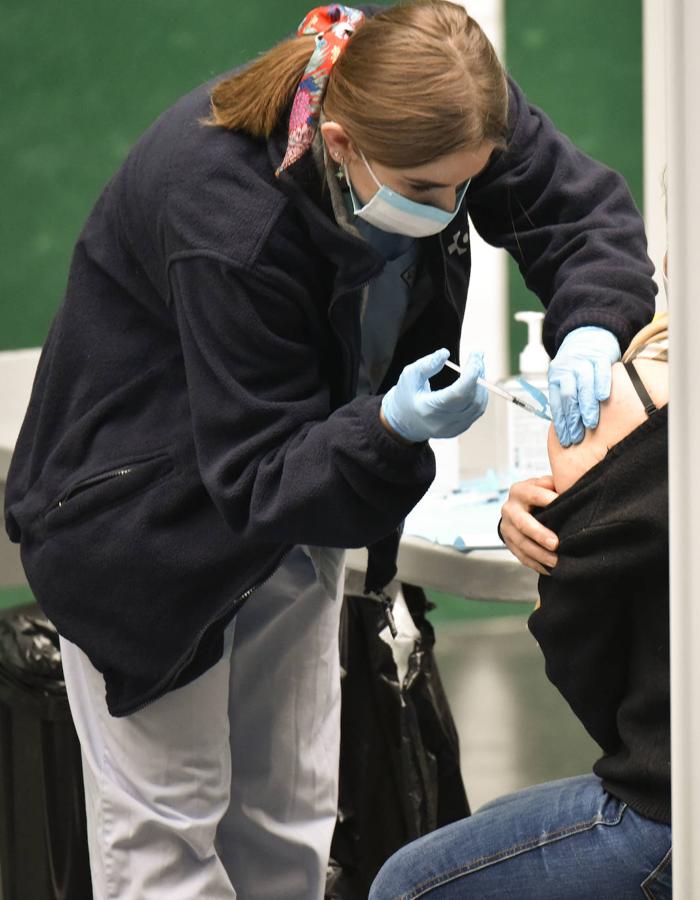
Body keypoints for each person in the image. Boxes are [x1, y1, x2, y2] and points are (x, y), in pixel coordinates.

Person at [3, 2, 656, 897]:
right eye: (427, 190)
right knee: (169, 835)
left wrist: (592, 326)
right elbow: (261, 473)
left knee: (291, 816)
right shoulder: (226, 213)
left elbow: (574, 215)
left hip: (292, 497)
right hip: (145, 529)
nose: (454, 207)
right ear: (340, 143)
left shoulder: (452, 111)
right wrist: (386, 428)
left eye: (470, 183)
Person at [369, 313, 671, 899]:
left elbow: (591, 683)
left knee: (404, 887)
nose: (662, 262)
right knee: (498, 817)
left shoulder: (639, 399)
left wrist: (554, 547)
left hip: (672, 807)